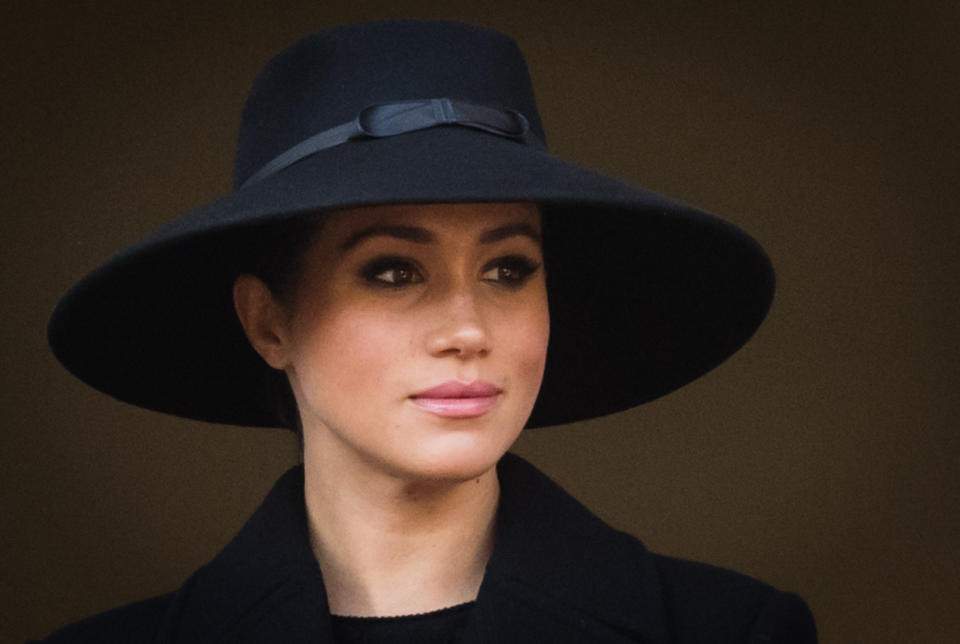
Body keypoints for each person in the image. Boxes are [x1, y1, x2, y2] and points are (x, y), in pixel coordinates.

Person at [38, 19, 816, 643]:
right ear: (268, 321)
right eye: (392, 271)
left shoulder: (732, 628)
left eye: (509, 268)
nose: (468, 329)